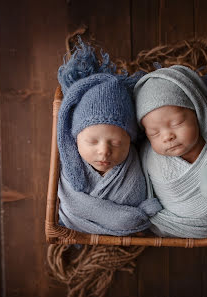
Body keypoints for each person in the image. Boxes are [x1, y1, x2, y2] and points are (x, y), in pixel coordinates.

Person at [133, 65, 207, 238]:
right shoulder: (149, 157)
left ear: (198, 115)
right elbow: (146, 193)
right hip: (171, 226)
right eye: (154, 133)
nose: (167, 136)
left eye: (177, 123)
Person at [56, 47, 161, 236]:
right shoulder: (70, 169)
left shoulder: (136, 169)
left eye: (116, 143)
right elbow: (69, 204)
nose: (104, 151)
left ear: (131, 141)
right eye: (92, 141)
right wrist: (131, 218)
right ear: (75, 138)